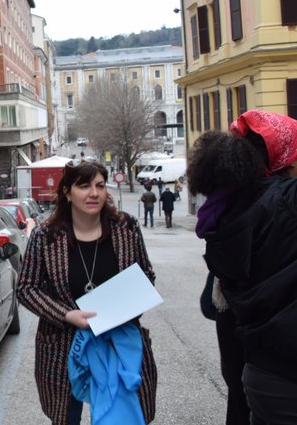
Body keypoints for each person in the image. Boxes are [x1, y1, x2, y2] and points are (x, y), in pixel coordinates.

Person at [17, 158, 157, 424]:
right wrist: (67, 314)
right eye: (84, 186)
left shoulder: (126, 228)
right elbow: (26, 288)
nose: (94, 193)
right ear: (67, 193)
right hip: (62, 347)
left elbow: (146, 275)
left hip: (119, 342)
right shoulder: (45, 236)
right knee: (67, 417)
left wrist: (120, 308)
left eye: (100, 186)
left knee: (125, 416)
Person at [187, 110, 297, 425]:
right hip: (284, 372)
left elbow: (210, 305)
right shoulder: (284, 207)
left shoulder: (227, 211)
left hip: (254, 375)